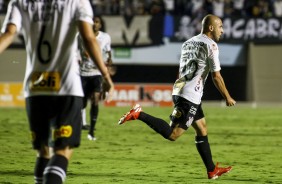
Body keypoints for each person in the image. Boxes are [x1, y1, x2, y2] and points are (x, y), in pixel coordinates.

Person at [0, 0, 114, 183]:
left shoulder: (20, 2)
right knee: (62, 151)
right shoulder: (77, 2)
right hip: (66, 86)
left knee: (43, 152)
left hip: (35, 87)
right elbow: (89, 38)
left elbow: (9, 33)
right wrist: (106, 77)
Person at [118, 14, 236, 180]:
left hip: (181, 88)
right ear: (211, 28)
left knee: (202, 129)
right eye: (220, 27)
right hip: (190, 95)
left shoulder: (188, 42)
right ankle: (139, 114)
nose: (222, 30)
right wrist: (227, 97)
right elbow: (216, 76)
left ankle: (211, 170)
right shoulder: (212, 46)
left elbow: (182, 69)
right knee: (172, 135)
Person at [78, 16, 115, 140]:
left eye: (97, 21)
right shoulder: (81, 35)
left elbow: (108, 54)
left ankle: (92, 131)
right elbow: (75, 51)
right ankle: (79, 124)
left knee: (95, 100)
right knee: (82, 102)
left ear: (100, 24)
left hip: (97, 74)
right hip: (83, 73)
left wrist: (109, 65)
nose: (94, 23)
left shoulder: (105, 37)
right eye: (92, 21)